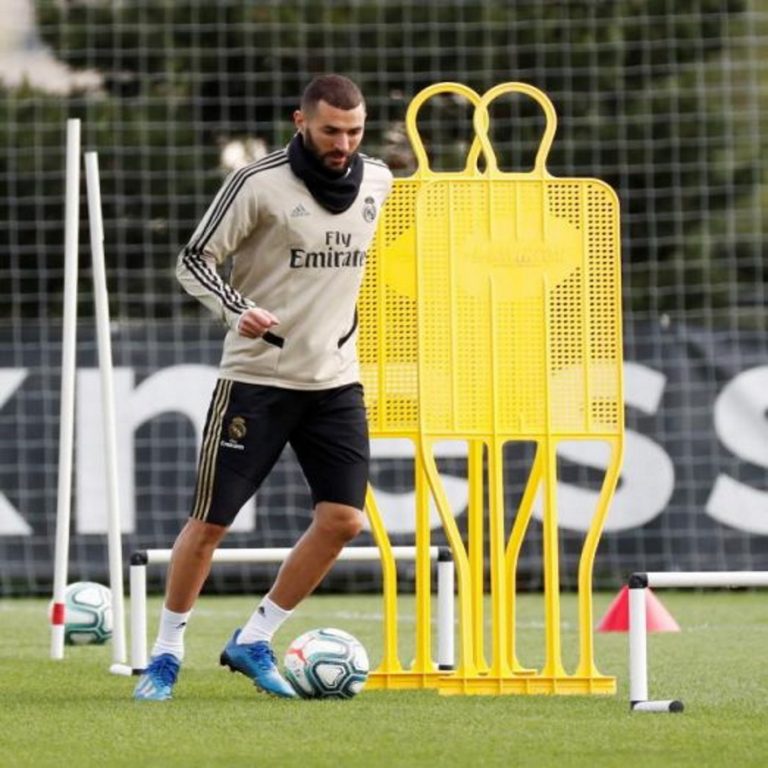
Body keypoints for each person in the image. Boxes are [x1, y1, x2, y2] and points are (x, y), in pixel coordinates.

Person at [133, 74, 393, 701]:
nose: (344, 143)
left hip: (335, 382)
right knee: (210, 523)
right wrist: (236, 308)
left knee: (344, 520)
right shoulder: (257, 183)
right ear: (300, 122)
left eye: (354, 131)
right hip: (256, 381)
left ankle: (254, 637)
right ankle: (165, 654)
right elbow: (195, 260)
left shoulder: (381, 181)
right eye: (332, 130)